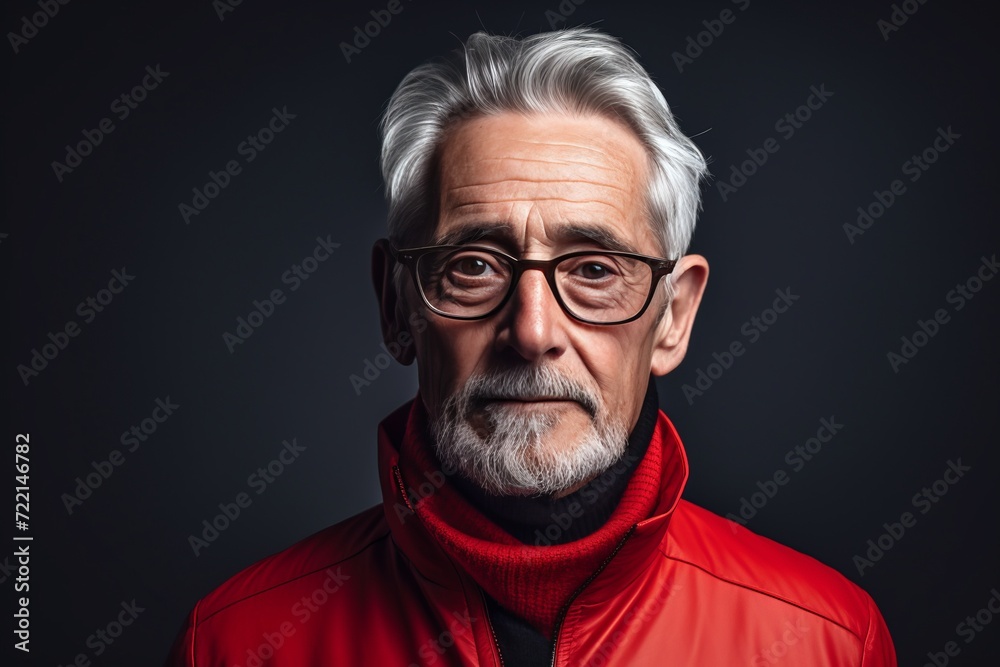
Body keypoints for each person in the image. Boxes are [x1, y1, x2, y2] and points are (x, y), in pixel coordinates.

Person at [166, 27, 896, 666]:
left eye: (594, 270)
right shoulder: (233, 644)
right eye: (475, 265)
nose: (533, 331)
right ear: (397, 305)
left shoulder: (829, 642)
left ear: (673, 317)